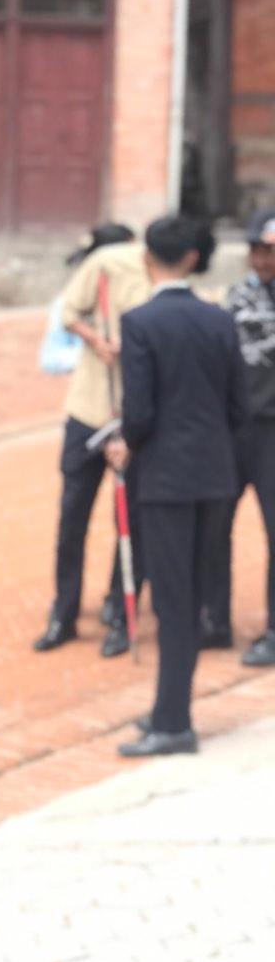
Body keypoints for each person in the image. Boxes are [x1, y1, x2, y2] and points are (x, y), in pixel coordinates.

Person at [108, 216, 247, 758]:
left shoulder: (139, 322)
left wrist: (128, 442)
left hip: (165, 479)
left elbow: (138, 412)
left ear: (148, 259)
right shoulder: (220, 320)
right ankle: (171, 711)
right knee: (191, 597)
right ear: (193, 259)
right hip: (215, 475)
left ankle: (174, 721)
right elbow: (238, 406)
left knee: (171, 599)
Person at [33, 225, 149, 658]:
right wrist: (97, 340)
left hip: (135, 416)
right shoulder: (96, 271)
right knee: (71, 521)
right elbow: (67, 315)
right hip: (87, 413)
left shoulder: (159, 278)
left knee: (131, 522)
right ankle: (63, 614)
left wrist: (136, 347)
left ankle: (121, 614)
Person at [201, 208, 275, 666]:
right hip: (233, 431)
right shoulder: (236, 297)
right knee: (214, 527)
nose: (261, 258)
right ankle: (215, 620)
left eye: (268, 251)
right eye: (256, 249)